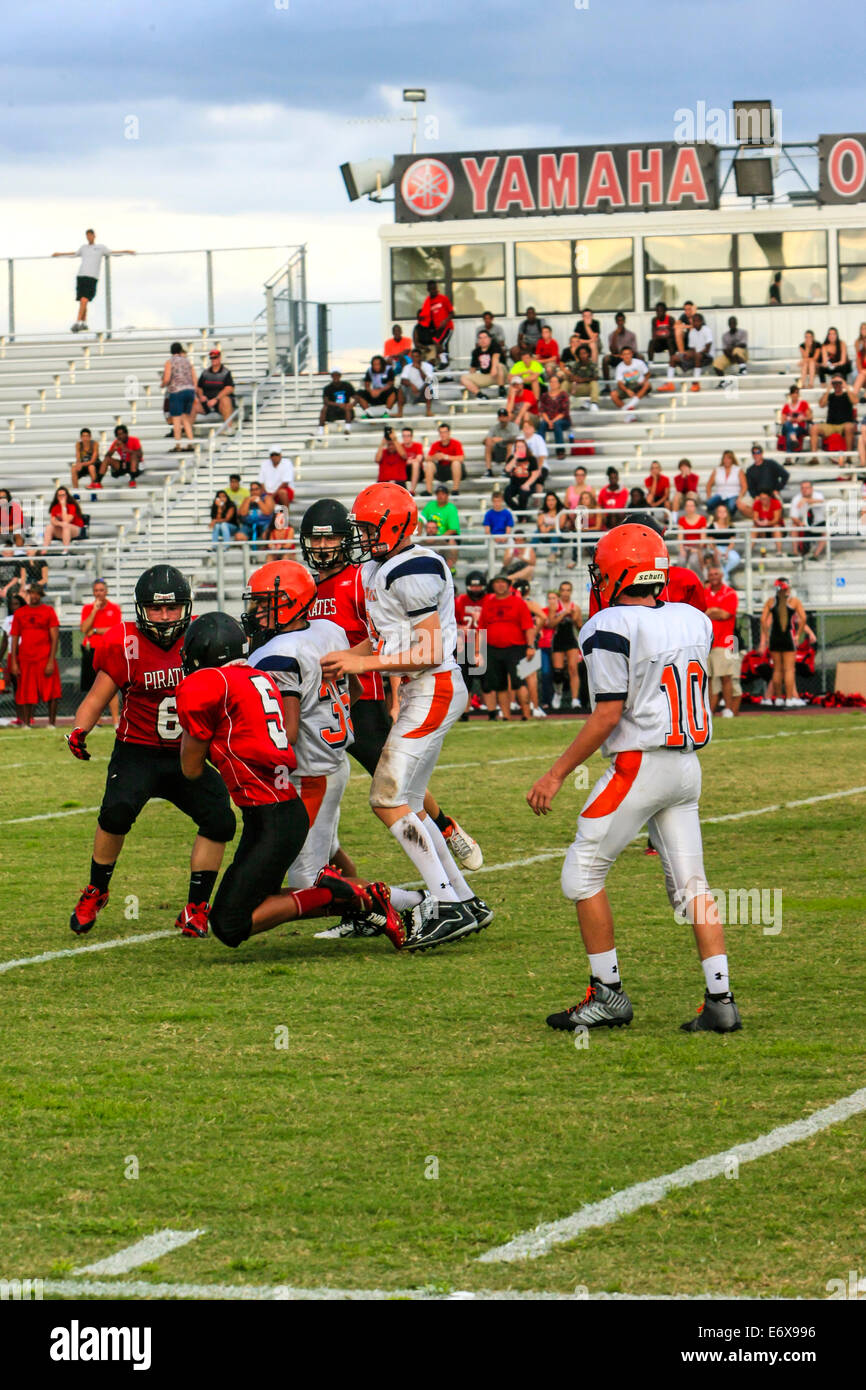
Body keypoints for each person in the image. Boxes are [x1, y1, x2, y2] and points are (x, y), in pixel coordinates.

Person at [527, 523, 741, 1034]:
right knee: (693, 886)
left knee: (580, 876)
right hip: (686, 768)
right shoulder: (692, 618)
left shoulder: (609, 625)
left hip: (638, 764)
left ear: (616, 573)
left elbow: (607, 714)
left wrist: (556, 774)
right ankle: (721, 1000)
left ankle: (608, 995)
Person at [320, 483, 492, 948]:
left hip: (433, 684)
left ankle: (445, 903)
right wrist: (342, 656)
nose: (361, 537)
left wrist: (362, 664)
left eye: (368, 528)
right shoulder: (384, 566)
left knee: (386, 798)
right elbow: (386, 643)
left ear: (395, 526)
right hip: (424, 685)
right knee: (409, 804)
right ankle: (462, 896)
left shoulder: (412, 566)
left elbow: (430, 647)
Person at [176, 611, 401, 949]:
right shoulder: (258, 677)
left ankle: (354, 896)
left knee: (229, 924)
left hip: (274, 818)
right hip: (275, 810)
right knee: (249, 902)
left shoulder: (208, 685)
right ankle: (354, 896)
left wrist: (207, 739)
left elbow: (191, 769)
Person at [64, 564, 235, 938]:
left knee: (220, 819)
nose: (164, 616)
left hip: (187, 751)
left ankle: (195, 908)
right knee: (115, 813)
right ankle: (97, 889)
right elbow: (96, 698)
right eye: (156, 609)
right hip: (136, 750)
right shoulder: (123, 642)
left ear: (185, 607)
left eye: (171, 608)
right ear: (142, 609)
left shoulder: (201, 637)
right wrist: (79, 728)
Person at [51, 228, 135, 333]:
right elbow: (73, 254)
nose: (89, 237)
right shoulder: (83, 248)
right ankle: (83, 323)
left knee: (84, 300)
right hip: (81, 275)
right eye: (87, 236)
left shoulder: (100, 247)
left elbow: (113, 253)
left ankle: (78, 322)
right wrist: (59, 254)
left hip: (92, 277)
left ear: (94, 236)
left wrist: (127, 251)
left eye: (90, 235)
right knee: (83, 301)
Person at [478, 572, 535, 722]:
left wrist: (530, 646)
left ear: (508, 586)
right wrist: (478, 652)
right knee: (500, 685)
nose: (500, 585)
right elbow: (481, 629)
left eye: (503, 582)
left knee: (519, 682)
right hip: (493, 649)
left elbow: (529, 627)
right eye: (496, 582)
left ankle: (526, 714)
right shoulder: (488, 604)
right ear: (492, 586)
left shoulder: (519, 603)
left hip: (515, 648)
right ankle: (506, 716)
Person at [9, 584, 61, 726]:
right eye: (32, 593)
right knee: (26, 692)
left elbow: (55, 637)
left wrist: (51, 660)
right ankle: (27, 724)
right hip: (26, 659)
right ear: (28, 594)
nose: (34, 596)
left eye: (37, 593)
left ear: (41, 595)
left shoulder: (48, 611)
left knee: (52, 692)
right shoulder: (20, 613)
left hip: (44, 658)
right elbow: (14, 638)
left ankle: (51, 724)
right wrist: (14, 661)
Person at [760, 578, 814, 708]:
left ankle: (778, 698)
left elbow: (763, 620)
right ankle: (789, 698)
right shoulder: (794, 601)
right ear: (788, 588)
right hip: (788, 638)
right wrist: (798, 635)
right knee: (789, 669)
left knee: (777, 669)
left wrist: (766, 637)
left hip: (774, 638)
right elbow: (803, 618)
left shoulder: (771, 602)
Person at [79, 578, 122, 726]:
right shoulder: (87, 609)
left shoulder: (114, 608)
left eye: (101, 590)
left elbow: (115, 629)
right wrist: (94, 611)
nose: (99, 593)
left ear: (106, 591)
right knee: (93, 687)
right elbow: (84, 629)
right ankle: (96, 720)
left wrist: (96, 630)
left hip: (108, 649)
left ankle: (115, 720)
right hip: (91, 649)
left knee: (110, 685)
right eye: (96, 590)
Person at [703, 565, 740, 718]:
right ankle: (709, 710)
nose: (713, 576)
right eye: (711, 574)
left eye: (716, 573)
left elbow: (725, 615)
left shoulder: (730, 593)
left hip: (725, 642)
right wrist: (714, 611)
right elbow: (701, 613)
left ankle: (728, 709)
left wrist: (711, 611)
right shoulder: (704, 592)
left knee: (726, 676)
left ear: (722, 574)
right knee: (709, 678)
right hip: (707, 642)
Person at [548, 579, 583, 712]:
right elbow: (550, 624)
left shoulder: (576, 607)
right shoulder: (555, 606)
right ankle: (558, 694)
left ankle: (575, 699)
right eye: (563, 590)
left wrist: (575, 617)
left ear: (571, 592)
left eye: (568, 590)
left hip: (570, 640)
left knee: (573, 669)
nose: (565, 593)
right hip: (558, 639)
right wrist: (563, 613)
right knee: (558, 672)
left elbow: (579, 626)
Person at [161, 342, 196, 451]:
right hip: (189, 391)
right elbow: (194, 378)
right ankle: (191, 442)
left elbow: (167, 379)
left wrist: (162, 384)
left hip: (177, 391)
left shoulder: (169, 362)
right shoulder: (187, 362)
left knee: (176, 419)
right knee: (185, 418)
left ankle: (178, 445)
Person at [809, 375, 856, 454]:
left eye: (839, 383)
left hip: (844, 424)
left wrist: (846, 387)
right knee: (814, 428)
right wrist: (828, 389)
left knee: (849, 427)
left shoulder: (847, 395)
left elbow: (855, 401)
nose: (837, 385)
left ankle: (849, 456)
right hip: (830, 425)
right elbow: (821, 405)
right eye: (834, 383)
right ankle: (814, 456)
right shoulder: (830, 396)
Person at [740, 443, 789, 519]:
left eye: (758, 452)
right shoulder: (750, 470)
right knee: (741, 504)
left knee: (779, 508)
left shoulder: (771, 464)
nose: (756, 455)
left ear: (762, 453)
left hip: (772, 495)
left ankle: (770, 520)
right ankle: (760, 519)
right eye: (754, 453)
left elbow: (785, 475)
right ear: (752, 455)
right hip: (759, 497)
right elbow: (750, 487)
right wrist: (755, 496)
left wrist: (777, 489)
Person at [421, 484, 460, 571]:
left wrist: (439, 538)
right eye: (438, 494)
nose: (440, 496)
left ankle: (451, 567)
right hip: (430, 534)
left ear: (447, 495)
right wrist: (419, 535)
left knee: (452, 542)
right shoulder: (430, 505)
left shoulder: (451, 508)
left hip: (444, 537)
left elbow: (453, 529)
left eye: (443, 494)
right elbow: (421, 519)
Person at [192, 348, 236, 426]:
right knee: (191, 402)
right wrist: (201, 396)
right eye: (211, 358)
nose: (213, 359)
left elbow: (229, 388)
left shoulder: (226, 372)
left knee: (225, 400)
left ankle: (229, 428)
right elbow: (199, 387)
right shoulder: (205, 373)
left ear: (219, 358)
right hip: (207, 402)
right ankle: (186, 430)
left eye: (215, 357)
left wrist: (216, 399)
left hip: (219, 402)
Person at [418, 281, 454, 367]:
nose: (433, 291)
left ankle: (445, 362)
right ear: (428, 290)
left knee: (440, 342)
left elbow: (452, 313)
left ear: (437, 288)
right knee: (439, 344)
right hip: (438, 329)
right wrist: (422, 319)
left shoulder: (443, 299)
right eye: (431, 289)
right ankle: (446, 369)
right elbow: (426, 315)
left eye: (434, 288)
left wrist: (445, 320)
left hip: (447, 327)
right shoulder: (427, 302)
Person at [789, 479, 827, 560]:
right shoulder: (796, 499)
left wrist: (806, 500)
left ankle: (815, 555)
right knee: (794, 526)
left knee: (826, 530)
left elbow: (821, 501)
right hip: (803, 524)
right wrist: (800, 523)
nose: (804, 490)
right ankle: (795, 553)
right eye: (802, 488)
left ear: (812, 488)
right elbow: (793, 516)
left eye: (806, 488)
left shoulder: (818, 495)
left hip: (818, 523)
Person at [675, 312, 713, 389]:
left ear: (701, 321)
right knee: (674, 358)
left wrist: (695, 355)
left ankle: (696, 383)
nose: (695, 323)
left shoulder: (707, 330)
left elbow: (707, 349)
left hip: (707, 357)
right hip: (697, 357)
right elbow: (692, 349)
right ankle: (669, 383)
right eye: (694, 321)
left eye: (697, 321)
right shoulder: (692, 332)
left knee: (698, 355)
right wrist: (687, 354)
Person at [536, 374, 571, 458]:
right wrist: (548, 421)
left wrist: (553, 421)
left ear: (559, 384)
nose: (553, 383)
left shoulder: (564, 395)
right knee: (542, 424)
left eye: (555, 382)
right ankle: (540, 450)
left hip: (563, 420)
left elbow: (564, 412)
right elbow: (542, 410)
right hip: (548, 419)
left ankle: (560, 451)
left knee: (557, 424)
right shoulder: (544, 396)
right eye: (551, 382)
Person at [41, 486, 85, 553]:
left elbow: (66, 520)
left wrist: (63, 506)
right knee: (49, 527)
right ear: (57, 497)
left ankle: (65, 550)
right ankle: (44, 550)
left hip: (76, 530)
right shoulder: (55, 507)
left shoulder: (71, 506)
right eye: (59, 495)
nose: (61, 497)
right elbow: (53, 521)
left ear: (67, 496)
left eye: (63, 495)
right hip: (63, 529)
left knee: (66, 525)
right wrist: (61, 524)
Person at [424, 422, 464, 495]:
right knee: (429, 464)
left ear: (449, 433)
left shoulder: (456, 443)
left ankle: (455, 489)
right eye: (441, 432)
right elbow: (427, 458)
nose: (443, 434)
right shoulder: (435, 444)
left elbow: (461, 458)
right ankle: (428, 491)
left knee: (456, 463)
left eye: (445, 432)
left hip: (453, 469)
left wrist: (446, 457)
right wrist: (435, 457)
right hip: (441, 469)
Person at [460, 331, 503, 399]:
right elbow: (473, 368)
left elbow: (496, 357)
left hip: (500, 376)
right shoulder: (475, 351)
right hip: (487, 376)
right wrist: (468, 379)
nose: (483, 340)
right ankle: (481, 395)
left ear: (490, 339)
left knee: (499, 366)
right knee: (464, 378)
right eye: (480, 338)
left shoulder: (495, 346)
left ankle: (502, 390)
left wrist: (494, 367)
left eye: (485, 337)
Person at [706, 503, 742, 583]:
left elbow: (732, 542)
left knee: (735, 558)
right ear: (717, 513)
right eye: (720, 511)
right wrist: (717, 551)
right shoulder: (712, 526)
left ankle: (723, 573)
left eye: (724, 511)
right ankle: (725, 579)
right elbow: (711, 543)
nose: (722, 513)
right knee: (717, 558)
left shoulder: (731, 526)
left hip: (727, 548)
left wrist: (727, 551)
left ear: (727, 513)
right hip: (716, 548)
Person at [611, 345, 651, 416]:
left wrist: (644, 380)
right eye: (624, 354)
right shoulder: (619, 367)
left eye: (628, 354)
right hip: (627, 386)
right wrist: (627, 390)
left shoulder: (639, 363)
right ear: (621, 356)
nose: (627, 356)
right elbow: (619, 383)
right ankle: (629, 413)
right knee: (613, 394)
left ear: (632, 354)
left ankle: (631, 404)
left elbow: (647, 374)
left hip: (639, 385)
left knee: (647, 384)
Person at [705, 449, 746, 514]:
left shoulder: (738, 470)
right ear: (722, 459)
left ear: (732, 459)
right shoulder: (717, 470)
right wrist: (709, 496)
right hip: (720, 494)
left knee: (731, 507)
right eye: (725, 458)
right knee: (709, 504)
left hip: (733, 495)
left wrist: (740, 497)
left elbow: (744, 487)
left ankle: (726, 517)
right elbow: (708, 485)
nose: (726, 460)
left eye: (728, 458)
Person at [397, 349, 436, 418]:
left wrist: (420, 369)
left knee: (428, 386)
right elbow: (403, 380)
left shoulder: (427, 366)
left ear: (420, 357)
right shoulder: (407, 367)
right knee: (401, 387)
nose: (415, 358)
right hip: (411, 392)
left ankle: (428, 411)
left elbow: (428, 380)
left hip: (423, 393)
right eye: (413, 357)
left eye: (416, 356)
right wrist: (412, 385)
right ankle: (399, 413)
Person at [562, 341, 600, 411]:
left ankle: (594, 403)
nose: (583, 355)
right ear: (578, 355)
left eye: (584, 353)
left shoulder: (593, 365)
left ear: (588, 354)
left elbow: (596, 377)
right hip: (576, 388)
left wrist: (583, 380)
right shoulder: (576, 365)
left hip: (587, 388)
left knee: (594, 383)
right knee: (565, 383)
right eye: (580, 354)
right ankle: (562, 404)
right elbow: (571, 376)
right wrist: (574, 378)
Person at [236, 481, 274, 547]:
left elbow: (267, 512)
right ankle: (249, 554)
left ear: (261, 490)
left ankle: (263, 553)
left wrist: (258, 501)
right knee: (239, 537)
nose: (254, 491)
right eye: (252, 490)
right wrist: (248, 501)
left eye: (256, 489)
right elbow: (242, 514)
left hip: (264, 524)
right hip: (249, 524)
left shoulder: (267, 498)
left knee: (267, 535)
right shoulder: (247, 499)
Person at [648, 302, 677, 387]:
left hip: (669, 343)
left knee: (670, 341)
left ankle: (672, 364)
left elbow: (673, 334)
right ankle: (650, 365)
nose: (658, 313)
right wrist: (665, 332)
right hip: (659, 343)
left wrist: (661, 332)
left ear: (665, 311)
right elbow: (654, 335)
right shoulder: (654, 320)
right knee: (651, 342)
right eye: (657, 311)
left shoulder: (670, 319)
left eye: (660, 311)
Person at [603, 313, 638, 382]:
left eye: (622, 320)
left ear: (624, 321)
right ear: (616, 322)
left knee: (641, 357)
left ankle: (641, 382)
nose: (620, 323)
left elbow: (634, 350)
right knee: (605, 359)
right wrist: (615, 336)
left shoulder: (631, 334)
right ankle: (607, 385)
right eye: (618, 321)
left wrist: (625, 354)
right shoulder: (612, 335)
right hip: (617, 358)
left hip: (629, 356)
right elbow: (613, 350)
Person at [318, 370, 355, 435]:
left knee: (347, 407)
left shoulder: (347, 385)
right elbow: (326, 401)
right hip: (333, 410)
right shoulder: (328, 388)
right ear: (331, 376)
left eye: (337, 375)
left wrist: (352, 404)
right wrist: (339, 404)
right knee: (324, 408)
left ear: (340, 376)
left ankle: (347, 429)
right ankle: (320, 431)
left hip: (345, 409)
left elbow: (356, 397)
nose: (335, 377)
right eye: (334, 375)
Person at [677, 495, 709, 574]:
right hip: (686, 547)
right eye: (687, 506)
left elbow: (703, 539)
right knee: (681, 561)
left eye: (691, 506)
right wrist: (681, 550)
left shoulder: (702, 519)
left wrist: (696, 549)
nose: (689, 508)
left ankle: (700, 581)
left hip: (699, 548)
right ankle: (682, 581)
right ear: (685, 508)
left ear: (695, 507)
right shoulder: (682, 519)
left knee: (693, 561)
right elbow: (680, 537)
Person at [484, 408, 519, 476]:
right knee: (488, 442)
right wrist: (489, 440)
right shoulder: (494, 427)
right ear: (498, 418)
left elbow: (516, 438)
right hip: (498, 452)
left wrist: (502, 439)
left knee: (510, 445)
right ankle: (488, 470)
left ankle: (506, 470)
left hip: (510, 453)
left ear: (508, 417)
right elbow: (485, 440)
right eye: (500, 416)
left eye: (504, 416)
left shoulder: (514, 426)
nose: (502, 418)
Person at [259, 446, 294, 510]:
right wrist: (266, 494)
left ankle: (286, 516)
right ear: (270, 456)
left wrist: (272, 496)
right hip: (268, 492)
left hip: (282, 491)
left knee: (282, 492)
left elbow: (285, 483)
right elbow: (261, 482)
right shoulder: (264, 464)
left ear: (280, 455)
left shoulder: (287, 463)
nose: (274, 457)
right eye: (272, 455)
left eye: (276, 454)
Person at [751, 488, 785, 556]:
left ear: (769, 497)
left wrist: (767, 523)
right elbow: (755, 518)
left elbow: (776, 520)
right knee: (754, 528)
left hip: (774, 528)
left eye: (765, 498)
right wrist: (758, 522)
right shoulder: (757, 503)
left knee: (776, 527)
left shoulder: (776, 503)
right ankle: (748, 551)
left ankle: (779, 551)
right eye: (761, 498)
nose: (763, 500)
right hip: (762, 529)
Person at [780, 384, 812, 453]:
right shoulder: (786, 406)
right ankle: (794, 438)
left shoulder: (804, 403)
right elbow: (782, 421)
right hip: (789, 426)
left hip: (799, 427)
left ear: (798, 394)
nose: (795, 395)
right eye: (793, 393)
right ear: (790, 395)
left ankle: (788, 458)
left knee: (790, 433)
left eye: (796, 393)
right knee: (788, 425)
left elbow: (810, 417)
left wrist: (802, 419)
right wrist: (790, 419)